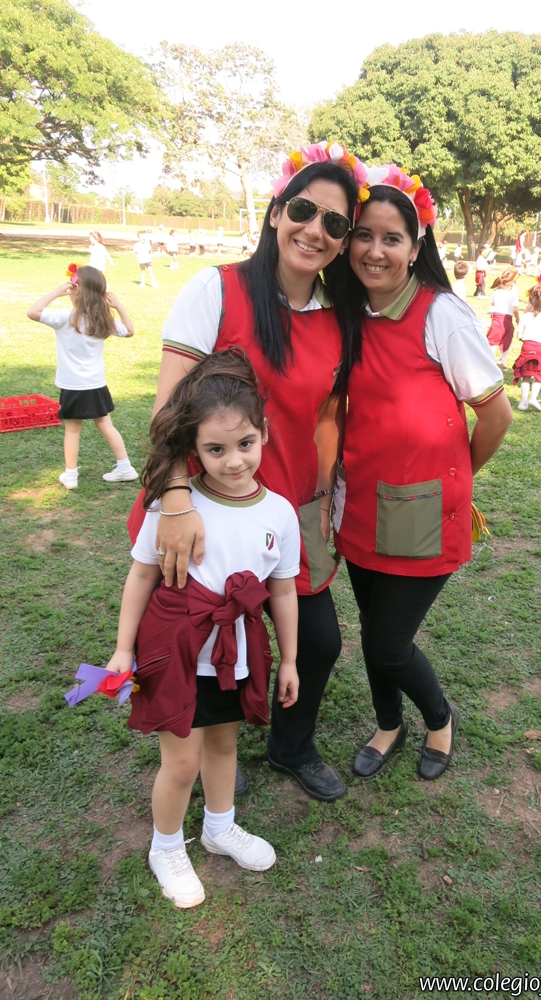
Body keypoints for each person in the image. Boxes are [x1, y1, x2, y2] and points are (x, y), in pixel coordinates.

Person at [131, 142, 368, 802]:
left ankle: (290, 746)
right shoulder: (216, 289)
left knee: (318, 641)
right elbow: (167, 410)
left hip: (287, 511)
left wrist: (323, 504)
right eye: (303, 211)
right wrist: (175, 498)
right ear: (274, 213)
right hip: (200, 504)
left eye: (334, 223)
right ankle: (202, 752)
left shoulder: (337, 318)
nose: (315, 230)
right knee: (195, 642)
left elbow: (327, 419)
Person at [332, 164, 512, 782]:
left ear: (416, 247)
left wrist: (453, 480)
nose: (374, 250)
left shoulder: (442, 315)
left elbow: (496, 415)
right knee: (372, 632)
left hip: (422, 511)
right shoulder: (349, 312)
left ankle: (439, 719)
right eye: (363, 235)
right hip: (359, 501)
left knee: (387, 643)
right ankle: (389, 724)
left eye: (392, 238)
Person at [106, 350, 300, 908]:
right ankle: (165, 847)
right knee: (182, 759)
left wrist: (288, 660)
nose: (234, 461)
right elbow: (142, 575)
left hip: (235, 653)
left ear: (264, 434)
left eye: (245, 444)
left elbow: (283, 590)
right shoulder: (173, 508)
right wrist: (122, 649)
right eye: (216, 449)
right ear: (193, 448)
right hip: (177, 648)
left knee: (223, 742)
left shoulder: (280, 513)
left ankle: (219, 826)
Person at [26, 266, 137, 489]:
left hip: (72, 386)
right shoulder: (103, 320)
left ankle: (70, 475)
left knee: (72, 429)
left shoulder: (65, 318)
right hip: (95, 384)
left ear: (75, 289)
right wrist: (118, 305)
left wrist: (57, 291)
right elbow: (129, 330)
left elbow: (33, 312)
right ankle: (125, 468)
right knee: (106, 425)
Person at [513, 282, 541, 412]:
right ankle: (533, 398)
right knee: (538, 374)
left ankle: (523, 402)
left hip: (527, 346)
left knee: (525, 375)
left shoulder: (526, 316)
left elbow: (519, 334)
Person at [486, 267, 519, 368]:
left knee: (493, 341)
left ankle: (489, 359)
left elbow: (492, 303)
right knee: (507, 340)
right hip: (507, 320)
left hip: (496, 319)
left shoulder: (496, 292)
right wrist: (518, 319)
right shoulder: (513, 295)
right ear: (512, 283)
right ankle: (502, 360)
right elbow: (515, 309)